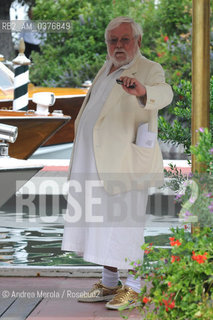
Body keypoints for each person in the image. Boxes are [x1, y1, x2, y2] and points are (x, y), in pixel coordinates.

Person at [62, 16, 173, 310]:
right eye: (113, 40)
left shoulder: (149, 69)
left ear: (137, 40)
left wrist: (143, 91)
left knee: (126, 223)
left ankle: (134, 287)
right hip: (96, 162)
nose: (118, 45)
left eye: (125, 39)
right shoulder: (107, 67)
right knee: (102, 223)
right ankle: (109, 284)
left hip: (127, 162)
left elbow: (165, 93)